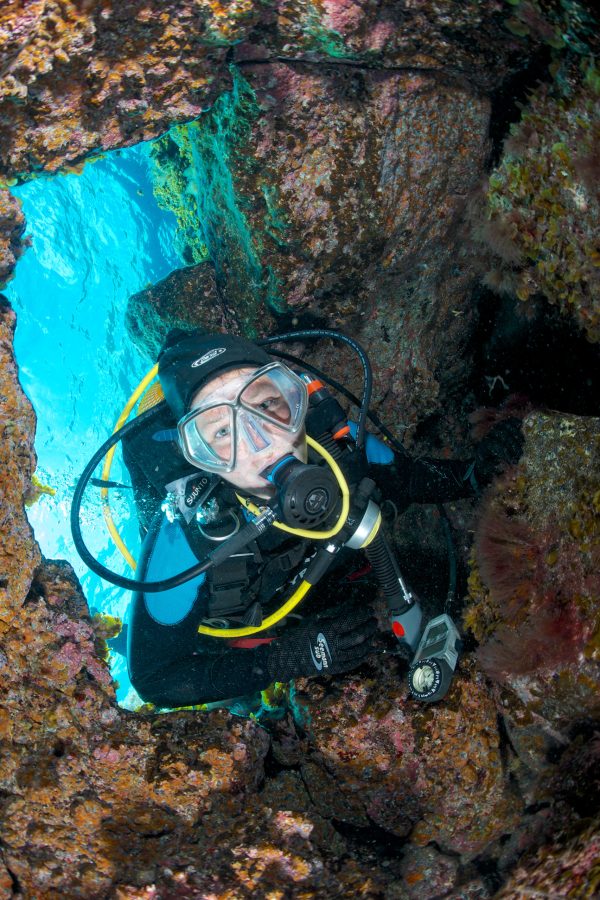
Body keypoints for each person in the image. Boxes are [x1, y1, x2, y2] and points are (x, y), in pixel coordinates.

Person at [123, 329, 523, 709]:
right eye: (223, 433)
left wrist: (474, 474)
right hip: (250, 625)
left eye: (266, 405)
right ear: (202, 459)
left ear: (293, 398)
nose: (261, 443)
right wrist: (281, 661)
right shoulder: (185, 536)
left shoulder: (337, 445)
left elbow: (410, 478)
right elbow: (154, 676)